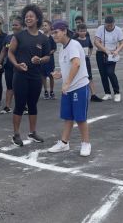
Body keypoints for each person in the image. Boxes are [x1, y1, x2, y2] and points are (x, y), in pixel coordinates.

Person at [8, 4, 51, 146]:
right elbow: (10, 52)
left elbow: (47, 57)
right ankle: (16, 134)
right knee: (20, 104)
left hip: (35, 76)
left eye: (31, 16)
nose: (28, 18)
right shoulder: (18, 36)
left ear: (37, 18)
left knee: (33, 104)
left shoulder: (43, 38)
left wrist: (40, 60)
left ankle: (32, 133)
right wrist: (16, 64)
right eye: (26, 16)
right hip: (20, 76)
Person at [47, 20, 91, 157]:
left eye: (56, 32)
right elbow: (69, 67)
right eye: (52, 33)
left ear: (64, 31)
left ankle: (86, 143)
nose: (54, 35)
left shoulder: (73, 45)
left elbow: (76, 64)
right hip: (69, 88)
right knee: (67, 117)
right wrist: (60, 75)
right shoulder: (62, 48)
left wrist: (67, 83)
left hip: (79, 87)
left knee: (80, 118)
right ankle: (64, 143)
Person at [94, 15, 123, 102]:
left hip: (112, 54)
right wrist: (105, 50)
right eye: (107, 25)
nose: (109, 27)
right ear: (105, 24)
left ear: (114, 23)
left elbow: (122, 42)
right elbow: (96, 41)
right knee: (103, 74)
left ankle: (117, 93)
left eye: (111, 25)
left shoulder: (118, 30)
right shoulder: (100, 29)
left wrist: (117, 51)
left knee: (110, 72)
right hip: (101, 53)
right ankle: (107, 93)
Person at [0, 16, 24, 114]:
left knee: (21, 87)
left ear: (21, 26)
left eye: (16, 25)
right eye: (13, 25)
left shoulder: (25, 38)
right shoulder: (8, 38)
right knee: (9, 87)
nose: (14, 27)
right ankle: (7, 107)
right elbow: (3, 51)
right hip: (8, 66)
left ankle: (23, 106)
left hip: (20, 67)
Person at [75, 23, 103, 102]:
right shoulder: (75, 41)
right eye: (81, 31)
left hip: (86, 61)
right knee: (78, 78)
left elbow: (91, 47)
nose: (82, 33)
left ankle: (93, 94)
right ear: (77, 32)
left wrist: (89, 55)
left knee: (89, 77)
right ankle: (79, 95)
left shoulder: (87, 39)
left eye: (84, 31)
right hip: (79, 62)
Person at [40, 20, 57, 100]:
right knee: (43, 75)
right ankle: (46, 91)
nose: (44, 27)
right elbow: (38, 47)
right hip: (42, 59)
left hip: (50, 59)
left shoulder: (52, 37)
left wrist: (48, 53)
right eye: (43, 25)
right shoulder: (40, 37)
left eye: (46, 25)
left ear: (50, 27)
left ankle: (52, 91)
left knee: (51, 75)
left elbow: (54, 48)